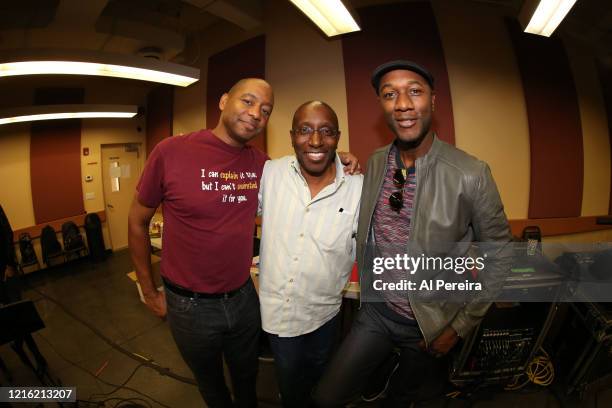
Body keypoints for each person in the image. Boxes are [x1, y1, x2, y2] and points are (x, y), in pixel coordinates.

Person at [128, 79, 359, 407]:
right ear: (223, 101)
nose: (255, 114)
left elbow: (306, 162)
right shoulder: (171, 151)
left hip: (243, 299)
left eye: (265, 111)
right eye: (248, 102)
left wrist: (337, 157)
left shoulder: (262, 166)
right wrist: (149, 291)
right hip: (188, 305)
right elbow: (137, 222)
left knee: (247, 380)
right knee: (211, 386)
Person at [313, 60, 513, 407]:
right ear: (382, 106)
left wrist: (458, 327)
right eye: (390, 94)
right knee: (325, 398)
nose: (402, 103)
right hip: (375, 313)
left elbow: (501, 255)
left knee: (404, 398)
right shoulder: (375, 162)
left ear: (433, 101)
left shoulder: (471, 173)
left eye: (414, 91)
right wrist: (337, 161)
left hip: (430, 324)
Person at [257, 101, 363, 407]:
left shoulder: (358, 186)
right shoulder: (270, 173)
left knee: (323, 383)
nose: (315, 141)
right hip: (280, 317)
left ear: (338, 137)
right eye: (305, 130)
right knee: (290, 385)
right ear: (291, 136)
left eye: (326, 132)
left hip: (326, 314)